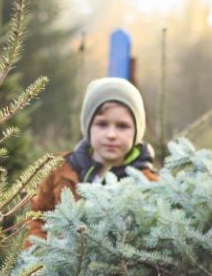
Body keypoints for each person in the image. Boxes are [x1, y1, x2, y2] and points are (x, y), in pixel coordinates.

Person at [25, 77, 158, 248]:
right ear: (88, 127)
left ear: (137, 131)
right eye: (102, 124)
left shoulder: (147, 182)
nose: (111, 134)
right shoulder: (61, 169)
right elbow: (39, 216)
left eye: (122, 126)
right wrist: (37, 257)